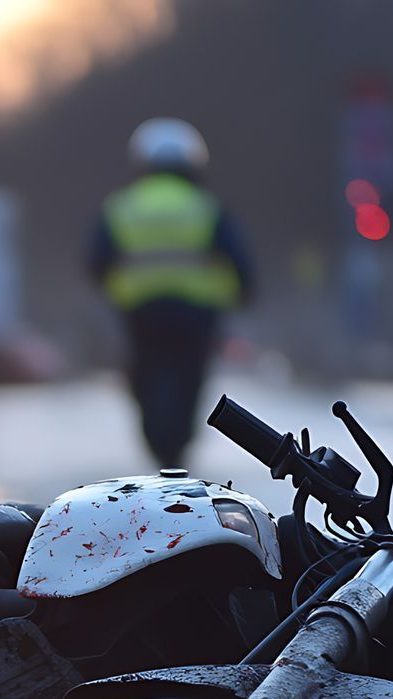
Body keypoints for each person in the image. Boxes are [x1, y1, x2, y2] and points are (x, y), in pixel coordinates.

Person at [88, 118, 253, 469]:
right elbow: (236, 256)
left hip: (140, 311)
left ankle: (156, 445)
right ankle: (179, 446)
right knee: (189, 375)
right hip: (196, 312)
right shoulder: (206, 206)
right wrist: (244, 292)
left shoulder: (122, 207)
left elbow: (96, 261)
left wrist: (114, 290)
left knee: (144, 375)